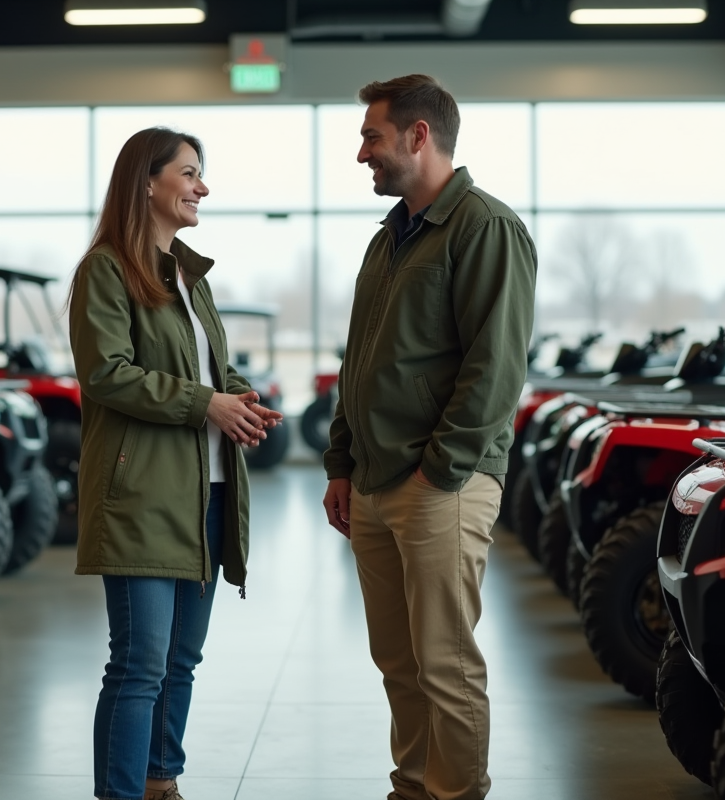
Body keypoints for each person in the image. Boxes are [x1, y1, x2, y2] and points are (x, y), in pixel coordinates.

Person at [321, 75, 538, 800]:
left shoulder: (484, 227)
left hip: (440, 483)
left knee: (444, 662)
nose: (362, 155)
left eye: (371, 137)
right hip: (378, 483)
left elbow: (494, 368)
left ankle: (455, 795)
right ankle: (412, 789)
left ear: (419, 136)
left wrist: (437, 473)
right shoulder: (390, 241)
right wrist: (341, 462)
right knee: (400, 663)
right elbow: (361, 361)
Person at [67, 127, 282, 800]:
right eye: (189, 173)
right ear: (147, 182)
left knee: (180, 662)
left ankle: (162, 781)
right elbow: (107, 373)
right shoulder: (106, 268)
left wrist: (238, 397)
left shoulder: (188, 275)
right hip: (143, 494)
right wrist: (205, 405)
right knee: (139, 666)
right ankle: (122, 793)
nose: (202, 187)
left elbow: (206, 368)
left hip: (207, 492)